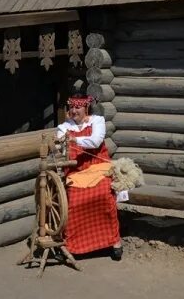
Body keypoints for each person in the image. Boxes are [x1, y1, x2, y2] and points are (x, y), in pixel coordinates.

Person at [56, 94, 122, 260]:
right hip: (76, 170)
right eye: (71, 107)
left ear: (86, 108)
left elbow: (95, 141)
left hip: (98, 167)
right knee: (75, 200)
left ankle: (114, 241)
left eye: (77, 107)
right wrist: (66, 144)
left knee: (105, 193)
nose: (74, 110)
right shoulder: (63, 127)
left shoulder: (97, 121)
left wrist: (73, 140)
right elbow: (61, 147)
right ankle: (75, 246)